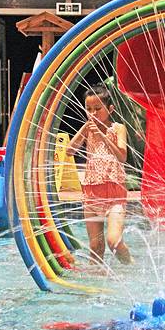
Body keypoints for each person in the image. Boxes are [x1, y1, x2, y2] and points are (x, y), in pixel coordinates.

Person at [67, 85, 133, 265]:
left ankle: (130, 266)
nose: (93, 113)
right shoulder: (88, 129)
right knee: (95, 247)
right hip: (91, 193)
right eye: (88, 109)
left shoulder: (118, 128)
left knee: (114, 242)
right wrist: (84, 129)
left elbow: (122, 156)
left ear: (110, 109)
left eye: (97, 108)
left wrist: (103, 136)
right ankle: (96, 276)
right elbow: (69, 151)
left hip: (114, 194)